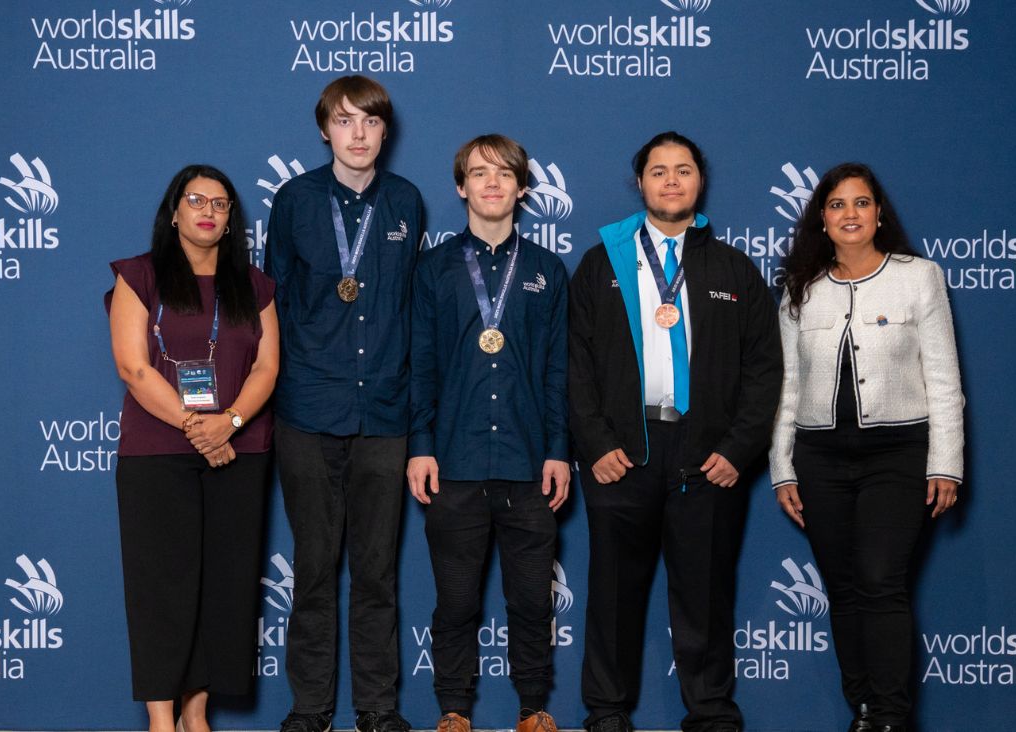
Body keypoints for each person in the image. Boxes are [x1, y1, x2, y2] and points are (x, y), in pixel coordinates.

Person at [568, 132, 782, 732]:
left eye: (682, 170)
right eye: (658, 171)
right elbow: (575, 363)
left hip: (706, 457)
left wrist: (738, 449)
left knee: (705, 595)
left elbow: (766, 370)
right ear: (640, 182)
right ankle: (607, 712)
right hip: (622, 454)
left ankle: (711, 712)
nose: (670, 180)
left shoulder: (734, 268)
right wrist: (595, 445)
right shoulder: (600, 262)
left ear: (699, 182)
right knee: (612, 594)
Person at [769, 162, 964, 732]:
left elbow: (945, 379)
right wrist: (783, 469)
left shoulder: (918, 276)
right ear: (821, 221)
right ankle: (861, 708)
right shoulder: (801, 288)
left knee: (881, 580)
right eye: (836, 205)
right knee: (843, 587)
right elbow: (789, 387)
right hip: (820, 458)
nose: (849, 214)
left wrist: (946, 463)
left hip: (898, 454)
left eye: (860, 203)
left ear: (879, 214)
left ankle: (890, 717)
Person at [264, 75, 423, 732]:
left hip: (385, 413)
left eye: (371, 122)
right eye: (345, 121)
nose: (359, 134)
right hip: (307, 409)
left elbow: (412, 310)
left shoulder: (409, 203)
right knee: (314, 568)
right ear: (325, 128)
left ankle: (379, 709)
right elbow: (270, 306)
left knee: (378, 573)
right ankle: (310, 709)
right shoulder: (295, 201)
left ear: (386, 131)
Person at [107, 164, 279, 732]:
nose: (208, 210)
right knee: (162, 586)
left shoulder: (253, 285)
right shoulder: (140, 276)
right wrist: (195, 425)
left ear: (231, 220)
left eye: (221, 204)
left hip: (239, 450)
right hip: (157, 453)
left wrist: (226, 423)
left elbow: (267, 366)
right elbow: (134, 367)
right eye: (196, 200)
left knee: (221, 586)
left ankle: (196, 714)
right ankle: (161, 720)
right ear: (175, 211)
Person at [407, 134, 570, 732]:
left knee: (530, 601)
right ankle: (453, 710)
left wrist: (559, 451)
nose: (492, 183)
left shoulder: (548, 271)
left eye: (505, 174)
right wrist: (420, 447)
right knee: (455, 602)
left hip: (529, 464)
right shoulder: (433, 269)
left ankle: (533, 708)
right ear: (462, 187)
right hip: (454, 460)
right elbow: (420, 365)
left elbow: (558, 373)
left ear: (523, 188)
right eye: (479, 173)